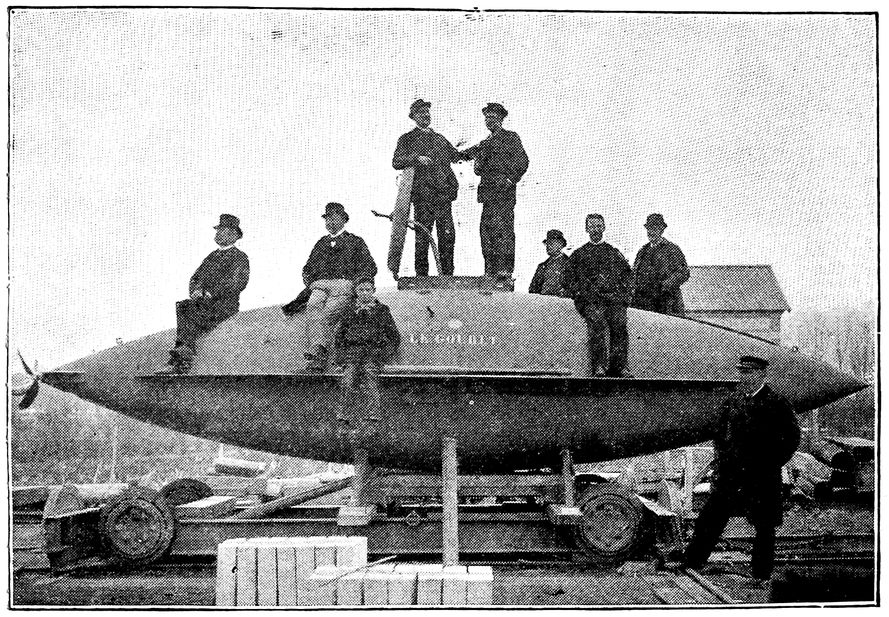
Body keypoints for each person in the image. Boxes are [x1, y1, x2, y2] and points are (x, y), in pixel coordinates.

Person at [682, 355, 800, 586]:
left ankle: (761, 575)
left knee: (764, 527)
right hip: (732, 475)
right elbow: (720, 435)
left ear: (762, 375)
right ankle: (692, 562)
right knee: (710, 518)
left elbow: (792, 438)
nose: (744, 377)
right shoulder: (733, 401)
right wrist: (720, 465)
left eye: (749, 373)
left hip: (762, 477)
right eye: (742, 373)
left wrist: (771, 463)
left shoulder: (777, 403)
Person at [159, 214, 250, 374]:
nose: (218, 233)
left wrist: (211, 293)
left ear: (233, 235)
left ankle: (182, 359)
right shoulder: (211, 257)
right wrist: (196, 290)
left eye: (222, 230)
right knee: (184, 306)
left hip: (224, 307)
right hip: (205, 305)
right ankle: (182, 353)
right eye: (218, 230)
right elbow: (195, 278)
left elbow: (237, 282)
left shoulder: (239, 257)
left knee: (188, 310)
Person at [301, 202, 377, 371]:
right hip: (320, 286)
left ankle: (318, 353)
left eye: (334, 218)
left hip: (343, 285)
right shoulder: (321, 243)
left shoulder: (355, 241)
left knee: (327, 314)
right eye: (327, 219)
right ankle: (318, 351)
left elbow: (369, 266)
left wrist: (358, 284)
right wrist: (311, 282)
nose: (330, 222)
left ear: (343, 220)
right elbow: (308, 267)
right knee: (313, 306)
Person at [459, 103, 529, 280]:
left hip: (503, 194)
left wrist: (510, 179)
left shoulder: (511, 138)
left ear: (501, 119)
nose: (489, 121)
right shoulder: (484, 143)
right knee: (487, 232)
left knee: (503, 231)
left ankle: (504, 271)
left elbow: (523, 161)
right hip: (488, 195)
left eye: (493, 118)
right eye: (487, 118)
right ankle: (490, 270)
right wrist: (449, 154)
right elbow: (464, 154)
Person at [392, 99, 460, 276]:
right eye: (421, 113)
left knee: (447, 237)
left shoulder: (440, 139)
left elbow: (457, 156)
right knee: (422, 237)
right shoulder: (407, 139)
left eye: (427, 112)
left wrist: (480, 148)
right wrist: (416, 158)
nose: (425, 115)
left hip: (443, 197)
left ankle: (447, 276)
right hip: (423, 198)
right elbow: (396, 161)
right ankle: (421, 277)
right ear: (413, 117)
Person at [564, 214, 633, 377]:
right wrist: (580, 292)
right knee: (596, 322)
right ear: (586, 229)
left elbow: (627, 276)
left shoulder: (613, 253)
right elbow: (566, 278)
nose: (595, 230)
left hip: (612, 300)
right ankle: (599, 366)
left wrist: (624, 296)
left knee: (620, 323)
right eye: (592, 226)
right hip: (591, 300)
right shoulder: (579, 254)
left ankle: (620, 366)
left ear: (604, 228)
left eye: (598, 226)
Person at [334, 277, 401, 427]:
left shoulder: (382, 310)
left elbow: (395, 337)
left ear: (373, 291)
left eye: (368, 289)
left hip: (372, 354)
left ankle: (373, 417)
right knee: (347, 382)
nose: (364, 293)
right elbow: (339, 337)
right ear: (356, 292)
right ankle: (343, 417)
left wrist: (383, 354)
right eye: (361, 290)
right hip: (352, 355)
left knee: (370, 380)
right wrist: (341, 359)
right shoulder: (349, 310)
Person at [631, 213, 690, 316]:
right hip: (644, 305)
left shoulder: (672, 249)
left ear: (661, 230)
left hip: (666, 304)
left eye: (655, 229)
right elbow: (634, 275)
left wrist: (664, 286)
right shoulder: (642, 251)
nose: (651, 232)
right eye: (649, 229)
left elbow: (684, 272)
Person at [528, 229, 569, 297]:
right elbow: (532, 290)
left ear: (561, 245)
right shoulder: (542, 266)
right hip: (542, 301)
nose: (548, 246)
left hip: (561, 301)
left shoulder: (570, 264)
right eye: (547, 243)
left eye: (551, 244)